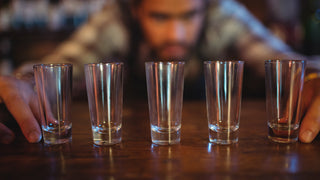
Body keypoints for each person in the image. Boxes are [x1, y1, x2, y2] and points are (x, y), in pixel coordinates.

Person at [0, 0, 319, 144]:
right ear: (138, 11)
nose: (176, 35)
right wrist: (26, 83)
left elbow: (292, 62)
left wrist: (314, 79)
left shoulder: (222, 12)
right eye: (160, 17)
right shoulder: (116, 18)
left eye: (190, 15)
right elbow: (57, 65)